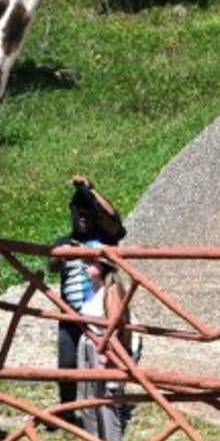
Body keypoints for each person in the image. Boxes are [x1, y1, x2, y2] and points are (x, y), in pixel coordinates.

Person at [49, 175, 125, 425]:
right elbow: (52, 266)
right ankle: (68, 409)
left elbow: (113, 218)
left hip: (101, 314)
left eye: (87, 212)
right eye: (77, 212)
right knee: (67, 364)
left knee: (105, 360)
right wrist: (59, 257)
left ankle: (108, 404)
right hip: (70, 313)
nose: (81, 217)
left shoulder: (106, 238)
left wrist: (91, 191)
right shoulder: (63, 241)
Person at [69, 258, 133, 441]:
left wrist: (109, 353)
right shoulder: (92, 289)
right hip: (87, 346)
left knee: (107, 405)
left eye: (90, 263)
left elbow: (116, 324)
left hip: (104, 349)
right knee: (88, 404)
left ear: (103, 267)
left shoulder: (112, 289)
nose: (85, 266)